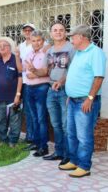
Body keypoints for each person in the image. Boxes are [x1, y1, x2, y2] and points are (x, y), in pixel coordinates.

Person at [59, 25, 106, 178]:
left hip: (85, 102)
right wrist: (70, 95)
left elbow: (98, 77)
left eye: (73, 37)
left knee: (84, 136)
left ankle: (84, 166)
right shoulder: (78, 52)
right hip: (73, 101)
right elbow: (75, 75)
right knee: (71, 134)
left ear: (82, 37)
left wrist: (90, 98)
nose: (71, 39)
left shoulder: (96, 52)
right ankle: (74, 160)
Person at [35, 22, 75, 165]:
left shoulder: (71, 48)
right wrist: (33, 69)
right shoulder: (50, 50)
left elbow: (74, 71)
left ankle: (69, 155)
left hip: (65, 90)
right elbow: (45, 71)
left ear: (65, 32)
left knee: (66, 125)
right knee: (56, 124)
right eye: (55, 30)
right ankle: (58, 152)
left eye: (61, 30)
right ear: (51, 33)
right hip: (51, 89)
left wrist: (62, 81)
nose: (58, 32)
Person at [23, 30, 50, 157]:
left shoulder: (47, 53)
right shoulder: (29, 53)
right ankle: (36, 142)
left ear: (43, 41)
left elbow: (46, 72)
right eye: (33, 41)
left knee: (41, 118)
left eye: (39, 40)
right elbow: (25, 71)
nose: (36, 43)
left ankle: (43, 147)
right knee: (33, 117)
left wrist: (34, 73)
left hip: (41, 88)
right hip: (29, 87)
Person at [0, 37, 22, 147]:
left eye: (4, 45)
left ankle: (13, 141)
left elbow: (20, 77)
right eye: (0, 47)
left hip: (13, 96)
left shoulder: (16, 59)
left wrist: (18, 95)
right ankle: (3, 140)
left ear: (10, 47)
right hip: (0, 95)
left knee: (15, 120)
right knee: (0, 119)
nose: (2, 48)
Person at [17, 23, 35, 143]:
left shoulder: (38, 43)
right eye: (26, 30)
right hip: (23, 81)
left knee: (32, 110)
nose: (28, 32)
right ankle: (29, 135)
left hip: (34, 81)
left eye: (30, 30)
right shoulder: (21, 45)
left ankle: (32, 136)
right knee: (26, 110)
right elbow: (19, 63)